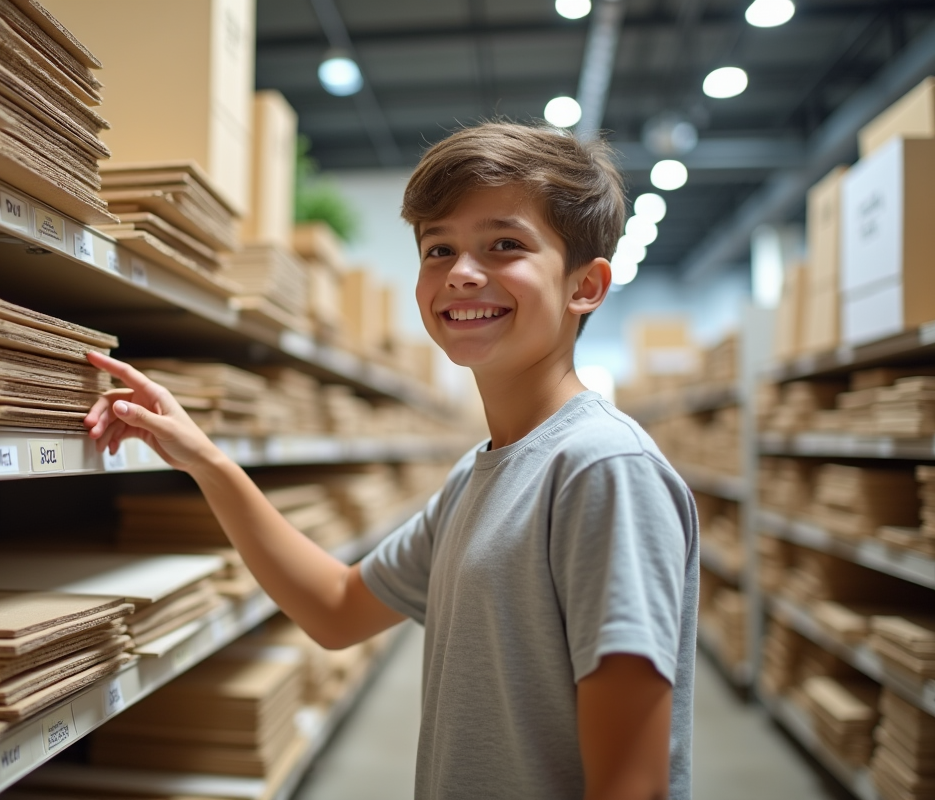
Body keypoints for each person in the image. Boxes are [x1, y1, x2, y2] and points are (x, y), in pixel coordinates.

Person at [83, 120, 698, 800]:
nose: (462, 274)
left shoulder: (602, 470)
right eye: (439, 250)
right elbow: (338, 609)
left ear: (586, 285)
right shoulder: (477, 476)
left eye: (504, 245)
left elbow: (630, 785)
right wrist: (206, 461)